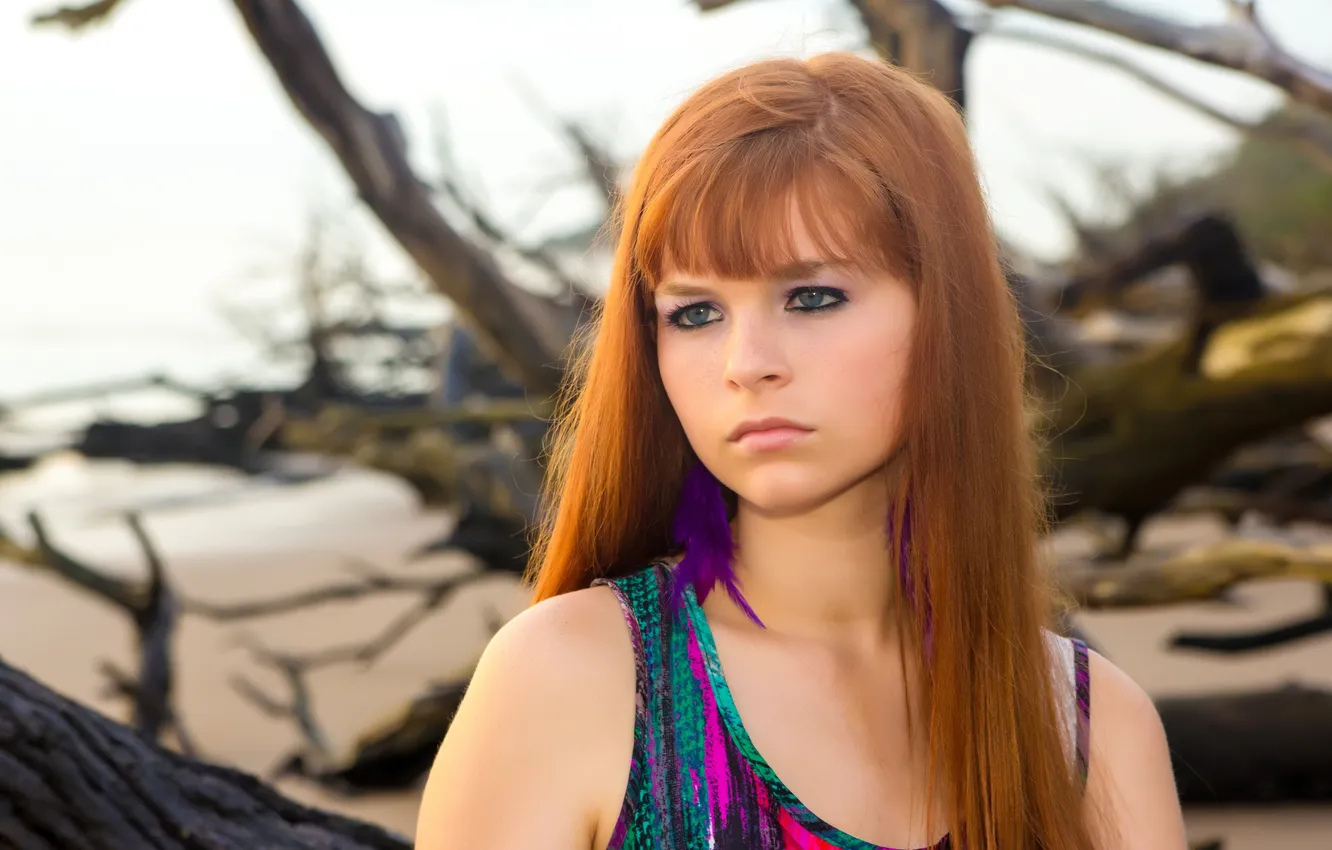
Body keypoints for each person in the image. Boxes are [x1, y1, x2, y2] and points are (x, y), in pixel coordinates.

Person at [414, 52, 1187, 850]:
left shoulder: (1090, 727)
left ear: (947, 316)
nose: (746, 363)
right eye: (694, 313)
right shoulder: (573, 681)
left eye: (812, 297)